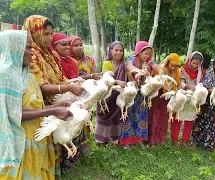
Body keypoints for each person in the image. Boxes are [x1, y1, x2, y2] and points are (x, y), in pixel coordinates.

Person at [0, 30, 71, 180]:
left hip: (35, 138)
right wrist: (51, 112)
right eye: (27, 48)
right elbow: (14, 114)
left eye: (31, 48)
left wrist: (59, 105)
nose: (31, 53)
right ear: (13, 47)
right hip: (19, 143)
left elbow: (35, 108)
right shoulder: (5, 76)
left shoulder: (28, 76)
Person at [23, 15, 84, 178]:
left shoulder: (50, 54)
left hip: (57, 102)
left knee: (55, 141)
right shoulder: (31, 54)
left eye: (51, 34)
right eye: (46, 34)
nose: (49, 38)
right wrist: (68, 87)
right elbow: (40, 87)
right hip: (38, 105)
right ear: (33, 32)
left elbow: (60, 78)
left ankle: (56, 172)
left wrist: (79, 82)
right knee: (42, 141)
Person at [120, 41, 163, 149]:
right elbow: (129, 67)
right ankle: (127, 141)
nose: (147, 56)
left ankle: (139, 139)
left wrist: (161, 72)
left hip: (144, 94)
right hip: (132, 92)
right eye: (145, 53)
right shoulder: (132, 58)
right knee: (129, 115)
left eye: (149, 53)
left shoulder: (149, 61)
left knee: (142, 116)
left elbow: (157, 67)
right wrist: (139, 71)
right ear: (138, 52)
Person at [95, 41, 127, 146]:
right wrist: (117, 82)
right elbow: (106, 79)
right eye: (116, 50)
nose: (119, 53)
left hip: (118, 97)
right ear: (110, 51)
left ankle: (114, 140)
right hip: (106, 96)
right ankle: (102, 140)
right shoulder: (107, 64)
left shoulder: (124, 65)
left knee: (116, 118)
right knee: (104, 116)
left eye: (121, 50)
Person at [172, 51, 205, 147]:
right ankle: (175, 140)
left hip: (193, 98)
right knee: (178, 118)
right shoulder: (182, 69)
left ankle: (185, 140)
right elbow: (180, 82)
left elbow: (202, 83)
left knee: (190, 119)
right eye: (193, 63)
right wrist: (187, 86)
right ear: (189, 60)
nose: (195, 66)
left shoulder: (201, 72)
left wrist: (198, 88)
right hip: (182, 95)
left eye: (197, 64)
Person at [148, 53, 181, 147]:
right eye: (172, 65)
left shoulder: (177, 72)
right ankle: (152, 140)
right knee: (155, 118)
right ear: (167, 63)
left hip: (167, 98)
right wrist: (166, 89)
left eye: (176, 66)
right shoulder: (161, 69)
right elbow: (155, 82)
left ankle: (161, 139)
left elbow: (177, 83)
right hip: (157, 96)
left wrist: (173, 91)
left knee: (164, 118)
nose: (174, 68)